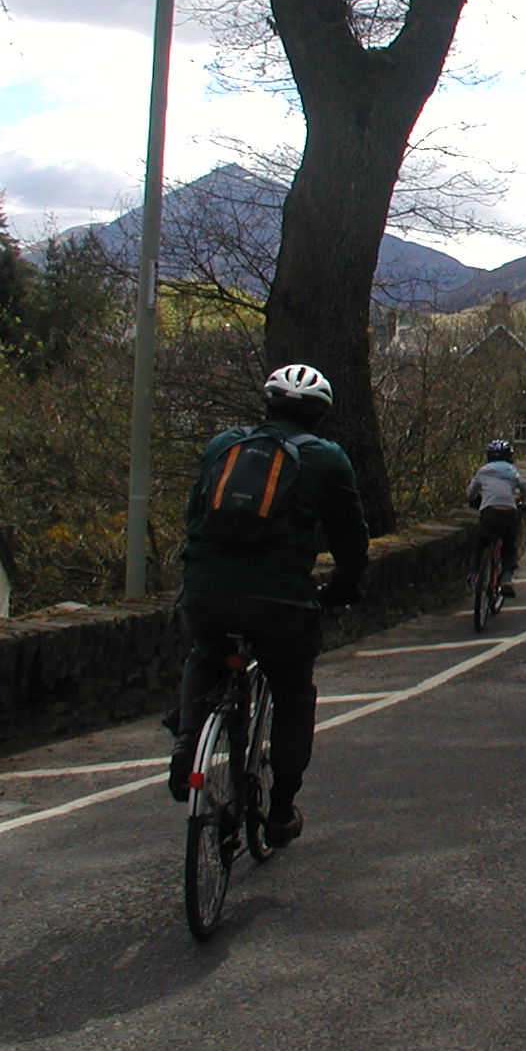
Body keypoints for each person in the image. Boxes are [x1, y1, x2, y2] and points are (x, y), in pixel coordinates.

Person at [167, 363, 368, 849]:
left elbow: (194, 517)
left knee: (206, 655)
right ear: (321, 415)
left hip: (207, 591)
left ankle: (188, 741)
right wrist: (342, 589)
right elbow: (351, 541)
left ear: (268, 404)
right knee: (293, 691)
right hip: (281, 603)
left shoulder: (224, 445)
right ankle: (280, 810)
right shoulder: (326, 459)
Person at [465, 438, 526, 596]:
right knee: (508, 547)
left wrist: (475, 500)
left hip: (489, 512)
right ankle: (506, 577)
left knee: (481, 542)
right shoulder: (512, 472)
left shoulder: (483, 471)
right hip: (508, 512)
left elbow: (470, 493)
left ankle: (475, 573)